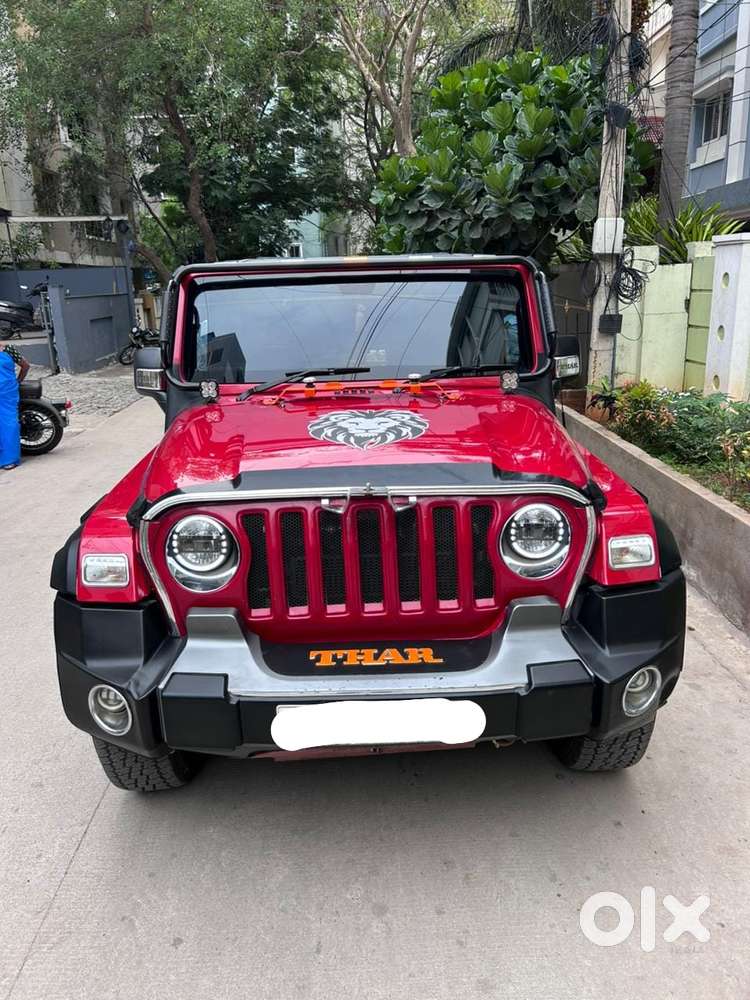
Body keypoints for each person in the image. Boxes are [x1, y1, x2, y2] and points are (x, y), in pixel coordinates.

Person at [0, 342, 29, 471]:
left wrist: (18, 381)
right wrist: (17, 381)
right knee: (9, 422)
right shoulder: (8, 349)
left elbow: (25, 366)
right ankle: (9, 459)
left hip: (7, 391)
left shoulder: (9, 349)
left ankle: (9, 459)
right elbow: (25, 366)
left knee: (9, 423)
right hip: (8, 390)